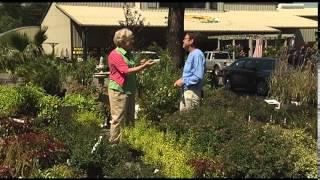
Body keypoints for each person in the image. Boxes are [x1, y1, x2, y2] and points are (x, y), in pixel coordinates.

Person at [107, 28, 156, 144]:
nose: (132, 42)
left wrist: (140, 64)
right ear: (122, 41)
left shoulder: (128, 54)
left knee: (130, 118)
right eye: (130, 40)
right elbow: (126, 71)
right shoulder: (115, 54)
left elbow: (130, 67)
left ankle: (128, 144)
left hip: (129, 89)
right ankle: (114, 144)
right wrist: (144, 67)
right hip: (119, 90)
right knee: (118, 119)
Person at [174, 32, 206, 111]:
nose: (183, 41)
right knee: (183, 121)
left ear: (191, 41)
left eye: (185, 39)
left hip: (192, 94)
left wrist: (183, 81)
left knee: (189, 121)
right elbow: (189, 74)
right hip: (187, 93)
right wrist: (181, 80)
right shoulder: (191, 54)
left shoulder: (197, 54)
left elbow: (198, 76)